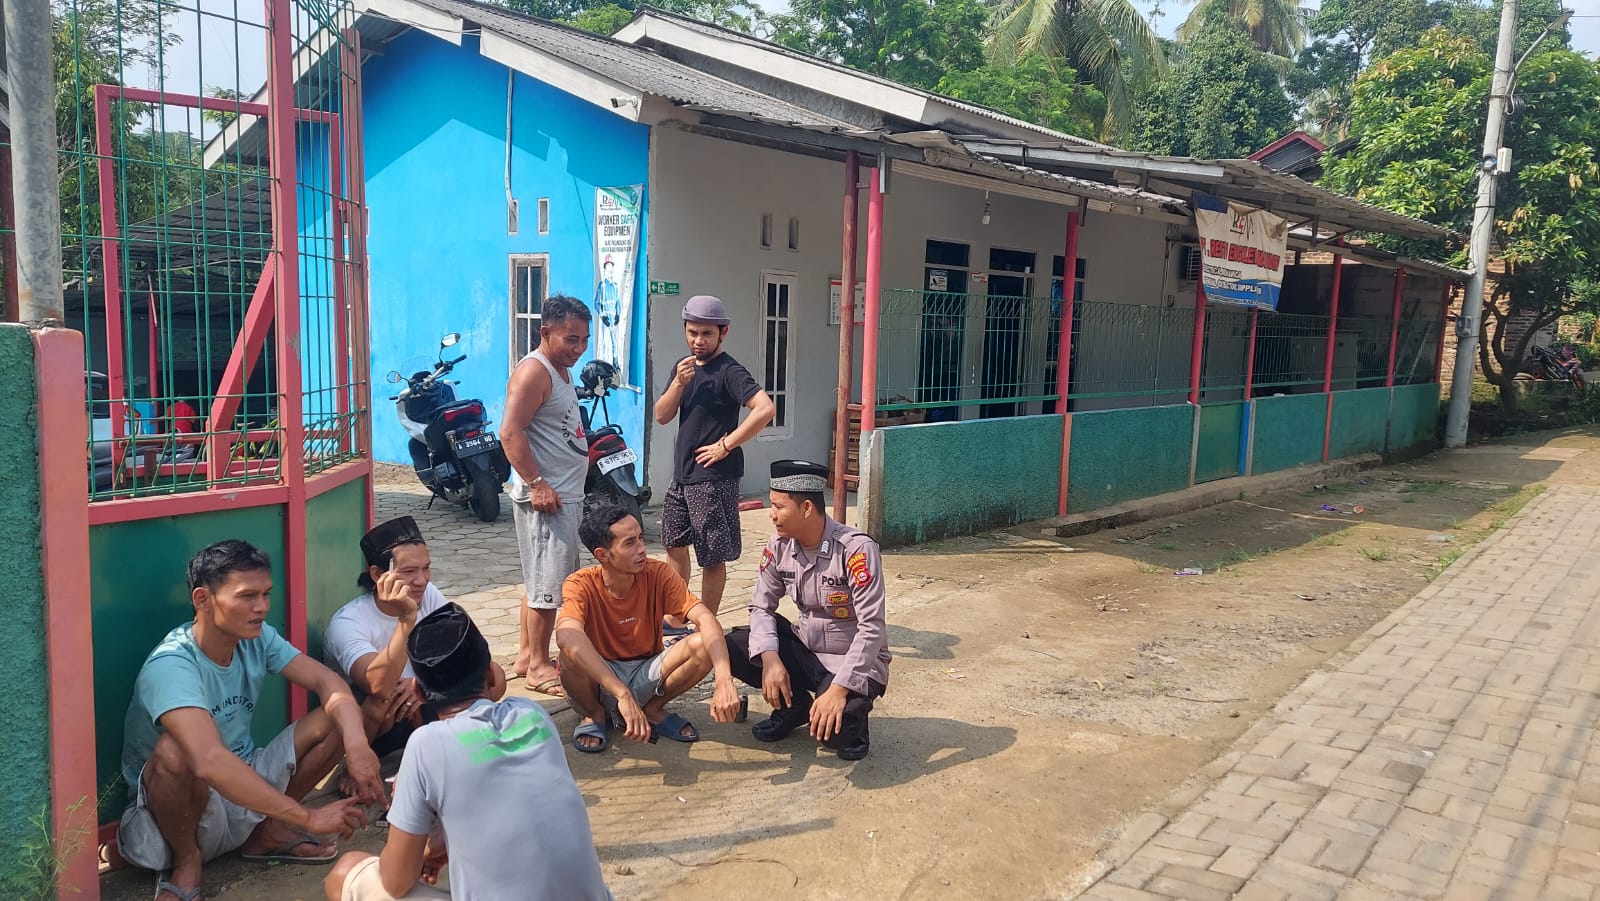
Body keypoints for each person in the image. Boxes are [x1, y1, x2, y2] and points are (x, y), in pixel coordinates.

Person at [116, 540, 385, 901]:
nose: (262, 607)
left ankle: (268, 830)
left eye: (265, 594)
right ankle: (187, 861)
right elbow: (209, 761)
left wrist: (358, 747)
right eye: (247, 596)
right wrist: (308, 818)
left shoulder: (256, 637)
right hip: (179, 815)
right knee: (174, 751)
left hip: (245, 780)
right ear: (202, 599)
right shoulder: (172, 665)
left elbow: (330, 683)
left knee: (336, 715)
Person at [322, 604, 613, 901]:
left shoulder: (427, 745)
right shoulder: (532, 715)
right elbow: (516, 804)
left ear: (418, 692)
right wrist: (440, 843)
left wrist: (416, 839)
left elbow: (395, 882)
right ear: (491, 676)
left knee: (345, 872)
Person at [725, 461, 891, 761]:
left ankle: (855, 720)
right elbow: (761, 606)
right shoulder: (779, 546)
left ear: (806, 508)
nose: (772, 514)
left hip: (850, 661)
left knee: (834, 733)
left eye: (779, 506)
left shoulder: (855, 550)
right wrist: (770, 659)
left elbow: (872, 628)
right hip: (808, 650)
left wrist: (839, 690)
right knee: (733, 646)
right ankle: (794, 707)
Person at [556, 504, 743, 751]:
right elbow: (567, 636)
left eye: (641, 538)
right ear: (603, 555)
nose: (642, 548)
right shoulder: (580, 584)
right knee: (568, 654)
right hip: (600, 677)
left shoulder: (658, 573)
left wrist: (724, 680)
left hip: (646, 668)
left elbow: (705, 619)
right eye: (630, 543)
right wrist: (621, 693)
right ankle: (594, 714)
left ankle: (652, 709)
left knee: (702, 644)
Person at [323, 516, 507, 766]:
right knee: (382, 702)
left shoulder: (428, 593)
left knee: (493, 675)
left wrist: (421, 684)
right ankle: (358, 765)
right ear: (377, 574)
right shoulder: (347, 622)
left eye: (426, 568)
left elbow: (462, 652)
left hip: (420, 698)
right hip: (381, 723)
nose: (422, 580)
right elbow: (378, 686)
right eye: (409, 572)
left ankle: (464, 741)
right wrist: (407, 617)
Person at [652, 294, 775, 631]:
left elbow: (765, 409)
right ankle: (677, 614)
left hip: (714, 478)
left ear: (723, 332)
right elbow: (662, 415)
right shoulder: (684, 367)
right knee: (674, 545)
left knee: (712, 554)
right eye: (692, 332)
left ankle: (706, 624)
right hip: (682, 475)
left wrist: (725, 445)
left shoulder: (729, 371)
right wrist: (678, 383)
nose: (698, 340)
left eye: (706, 333)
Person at [502, 294, 592, 698]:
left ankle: (527, 656)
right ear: (545, 332)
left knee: (540, 579)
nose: (579, 348)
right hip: (547, 499)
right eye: (571, 339)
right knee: (548, 585)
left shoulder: (560, 370)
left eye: (584, 340)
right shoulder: (534, 372)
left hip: (564, 495)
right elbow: (510, 432)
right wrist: (537, 483)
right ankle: (539, 667)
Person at [593, 256, 622, 368]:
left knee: (615, 342)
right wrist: (602, 316)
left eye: (611, 267)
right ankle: (605, 365)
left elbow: (618, 302)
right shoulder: (602, 285)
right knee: (606, 343)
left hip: (613, 318)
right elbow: (596, 303)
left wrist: (618, 315)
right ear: (604, 269)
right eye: (608, 267)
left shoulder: (615, 286)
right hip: (606, 318)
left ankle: (616, 364)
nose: (610, 270)